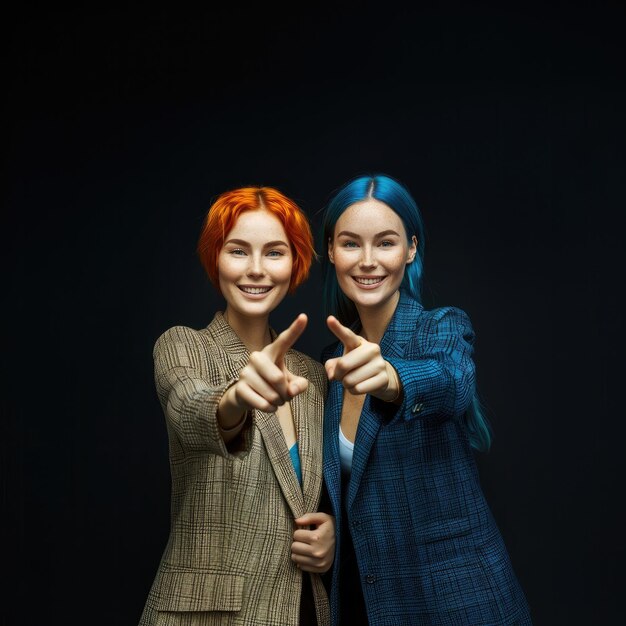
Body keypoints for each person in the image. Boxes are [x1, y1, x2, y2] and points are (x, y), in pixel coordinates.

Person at [319, 173, 532, 625]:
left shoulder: (442, 327)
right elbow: (355, 494)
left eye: (386, 243)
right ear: (332, 251)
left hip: (459, 601)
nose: (368, 261)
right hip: (368, 602)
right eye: (352, 244)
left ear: (411, 250)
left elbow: (451, 380)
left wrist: (393, 378)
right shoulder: (329, 362)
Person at [139, 186, 334, 626]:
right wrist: (234, 399)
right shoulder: (183, 345)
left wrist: (331, 538)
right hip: (207, 615)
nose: (256, 270)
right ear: (216, 258)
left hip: (301, 611)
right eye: (238, 251)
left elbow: (321, 497)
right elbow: (188, 405)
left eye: (275, 252)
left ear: (296, 262)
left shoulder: (313, 376)